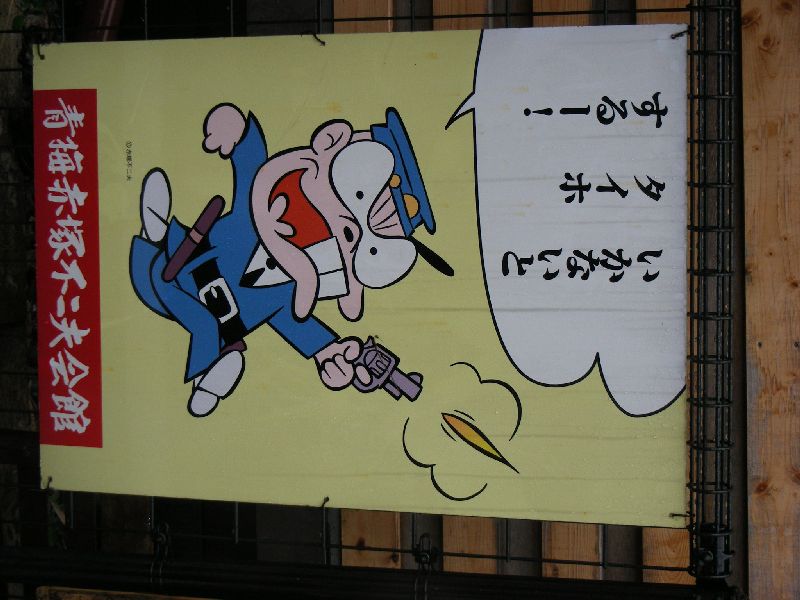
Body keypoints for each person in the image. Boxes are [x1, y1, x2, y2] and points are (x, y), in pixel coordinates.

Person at [129, 103, 451, 417]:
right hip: (184, 257)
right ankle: (158, 234)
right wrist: (238, 134)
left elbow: (300, 327)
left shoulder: (291, 295)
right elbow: (251, 162)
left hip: (212, 320)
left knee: (202, 325)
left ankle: (208, 375)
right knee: (169, 264)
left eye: (353, 242)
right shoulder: (255, 211)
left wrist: (329, 353)